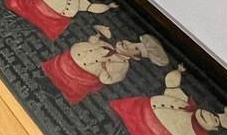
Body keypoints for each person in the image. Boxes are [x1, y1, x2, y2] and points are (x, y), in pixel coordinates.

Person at [42, 26, 170, 103]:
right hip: (69, 60)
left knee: (61, 85)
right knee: (52, 71)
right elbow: (92, 44)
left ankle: (51, 94)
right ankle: (43, 79)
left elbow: (107, 79)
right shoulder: (108, 45)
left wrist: (104, 68)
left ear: (135, 57)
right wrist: (95, 39)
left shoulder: (121, 66)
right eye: (132, 42)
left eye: (134, 48)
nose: (128, 43)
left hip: (81, 76)